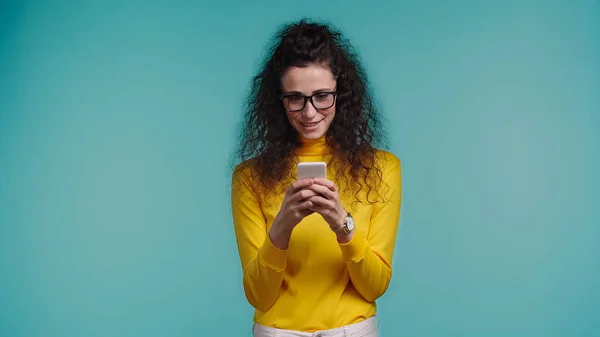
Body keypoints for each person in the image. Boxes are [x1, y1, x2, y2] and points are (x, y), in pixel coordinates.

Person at [230, 19, 402, 337]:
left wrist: (342, 224)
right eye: (295, 98)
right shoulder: (250, 177)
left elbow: (374, 287)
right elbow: (259, 296)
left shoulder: (381, 168)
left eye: (322, 95)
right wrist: (283, 225)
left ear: (342, 93)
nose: (309, 113)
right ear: (278, 101)